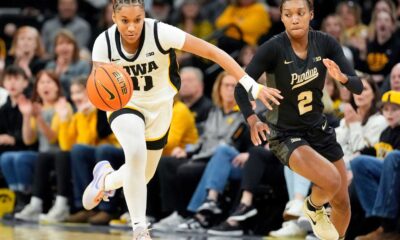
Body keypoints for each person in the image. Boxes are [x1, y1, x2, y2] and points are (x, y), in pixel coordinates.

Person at [82, 0, 281, 239]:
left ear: (145, 15)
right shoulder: (104, 43)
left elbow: (214, 52)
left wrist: (252, 85)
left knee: (142, 174)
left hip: (160, 107)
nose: (132, 27)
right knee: (135, 153)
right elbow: (100, 86)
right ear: (114, 18)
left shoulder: (159, 32)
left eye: (137, 19)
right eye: (125, 21)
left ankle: (106, 179)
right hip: (125, 105)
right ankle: (140, 230)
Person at [234, 0, 363, 240]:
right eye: (288, 14)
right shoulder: (272, 48)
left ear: (311, 15)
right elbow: (241, 88)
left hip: (318, 128)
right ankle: (313, 207)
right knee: (332, 181)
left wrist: (342, 78)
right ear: (281, 17)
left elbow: (358, 86)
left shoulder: (325, 42)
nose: (295, 18)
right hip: (285, 133)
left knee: (342, 200)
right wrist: (253, 120)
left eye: (300, 13)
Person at [350, 90, 400, 240]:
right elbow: (376, 152)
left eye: (395, 109)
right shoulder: (385, 132)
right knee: (358, 162)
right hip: (389, 169)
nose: (389, 114)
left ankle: (387, 225)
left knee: (392, 157)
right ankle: (378, 220)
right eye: (385, 109)